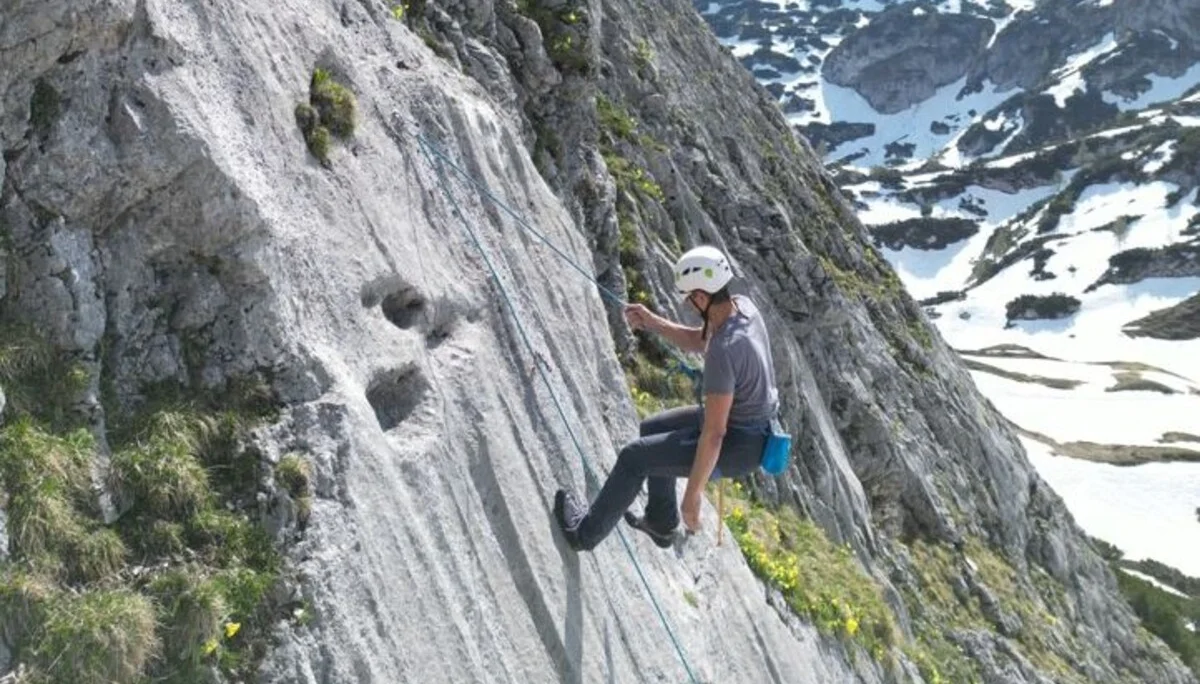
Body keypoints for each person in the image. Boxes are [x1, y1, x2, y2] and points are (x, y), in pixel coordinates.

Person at [554, 245, 780, 551]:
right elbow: (697, 341)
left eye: (689, 298)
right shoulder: (743, 307)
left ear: (702, 296)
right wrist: (651, 321)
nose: (689, 303)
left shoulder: (725, 350)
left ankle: (584, 535)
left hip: (740, 445)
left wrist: (693, 497)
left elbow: (714, 434)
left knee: (634, 457)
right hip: (753, 425)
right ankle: (661, 522)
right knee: (652, 427)